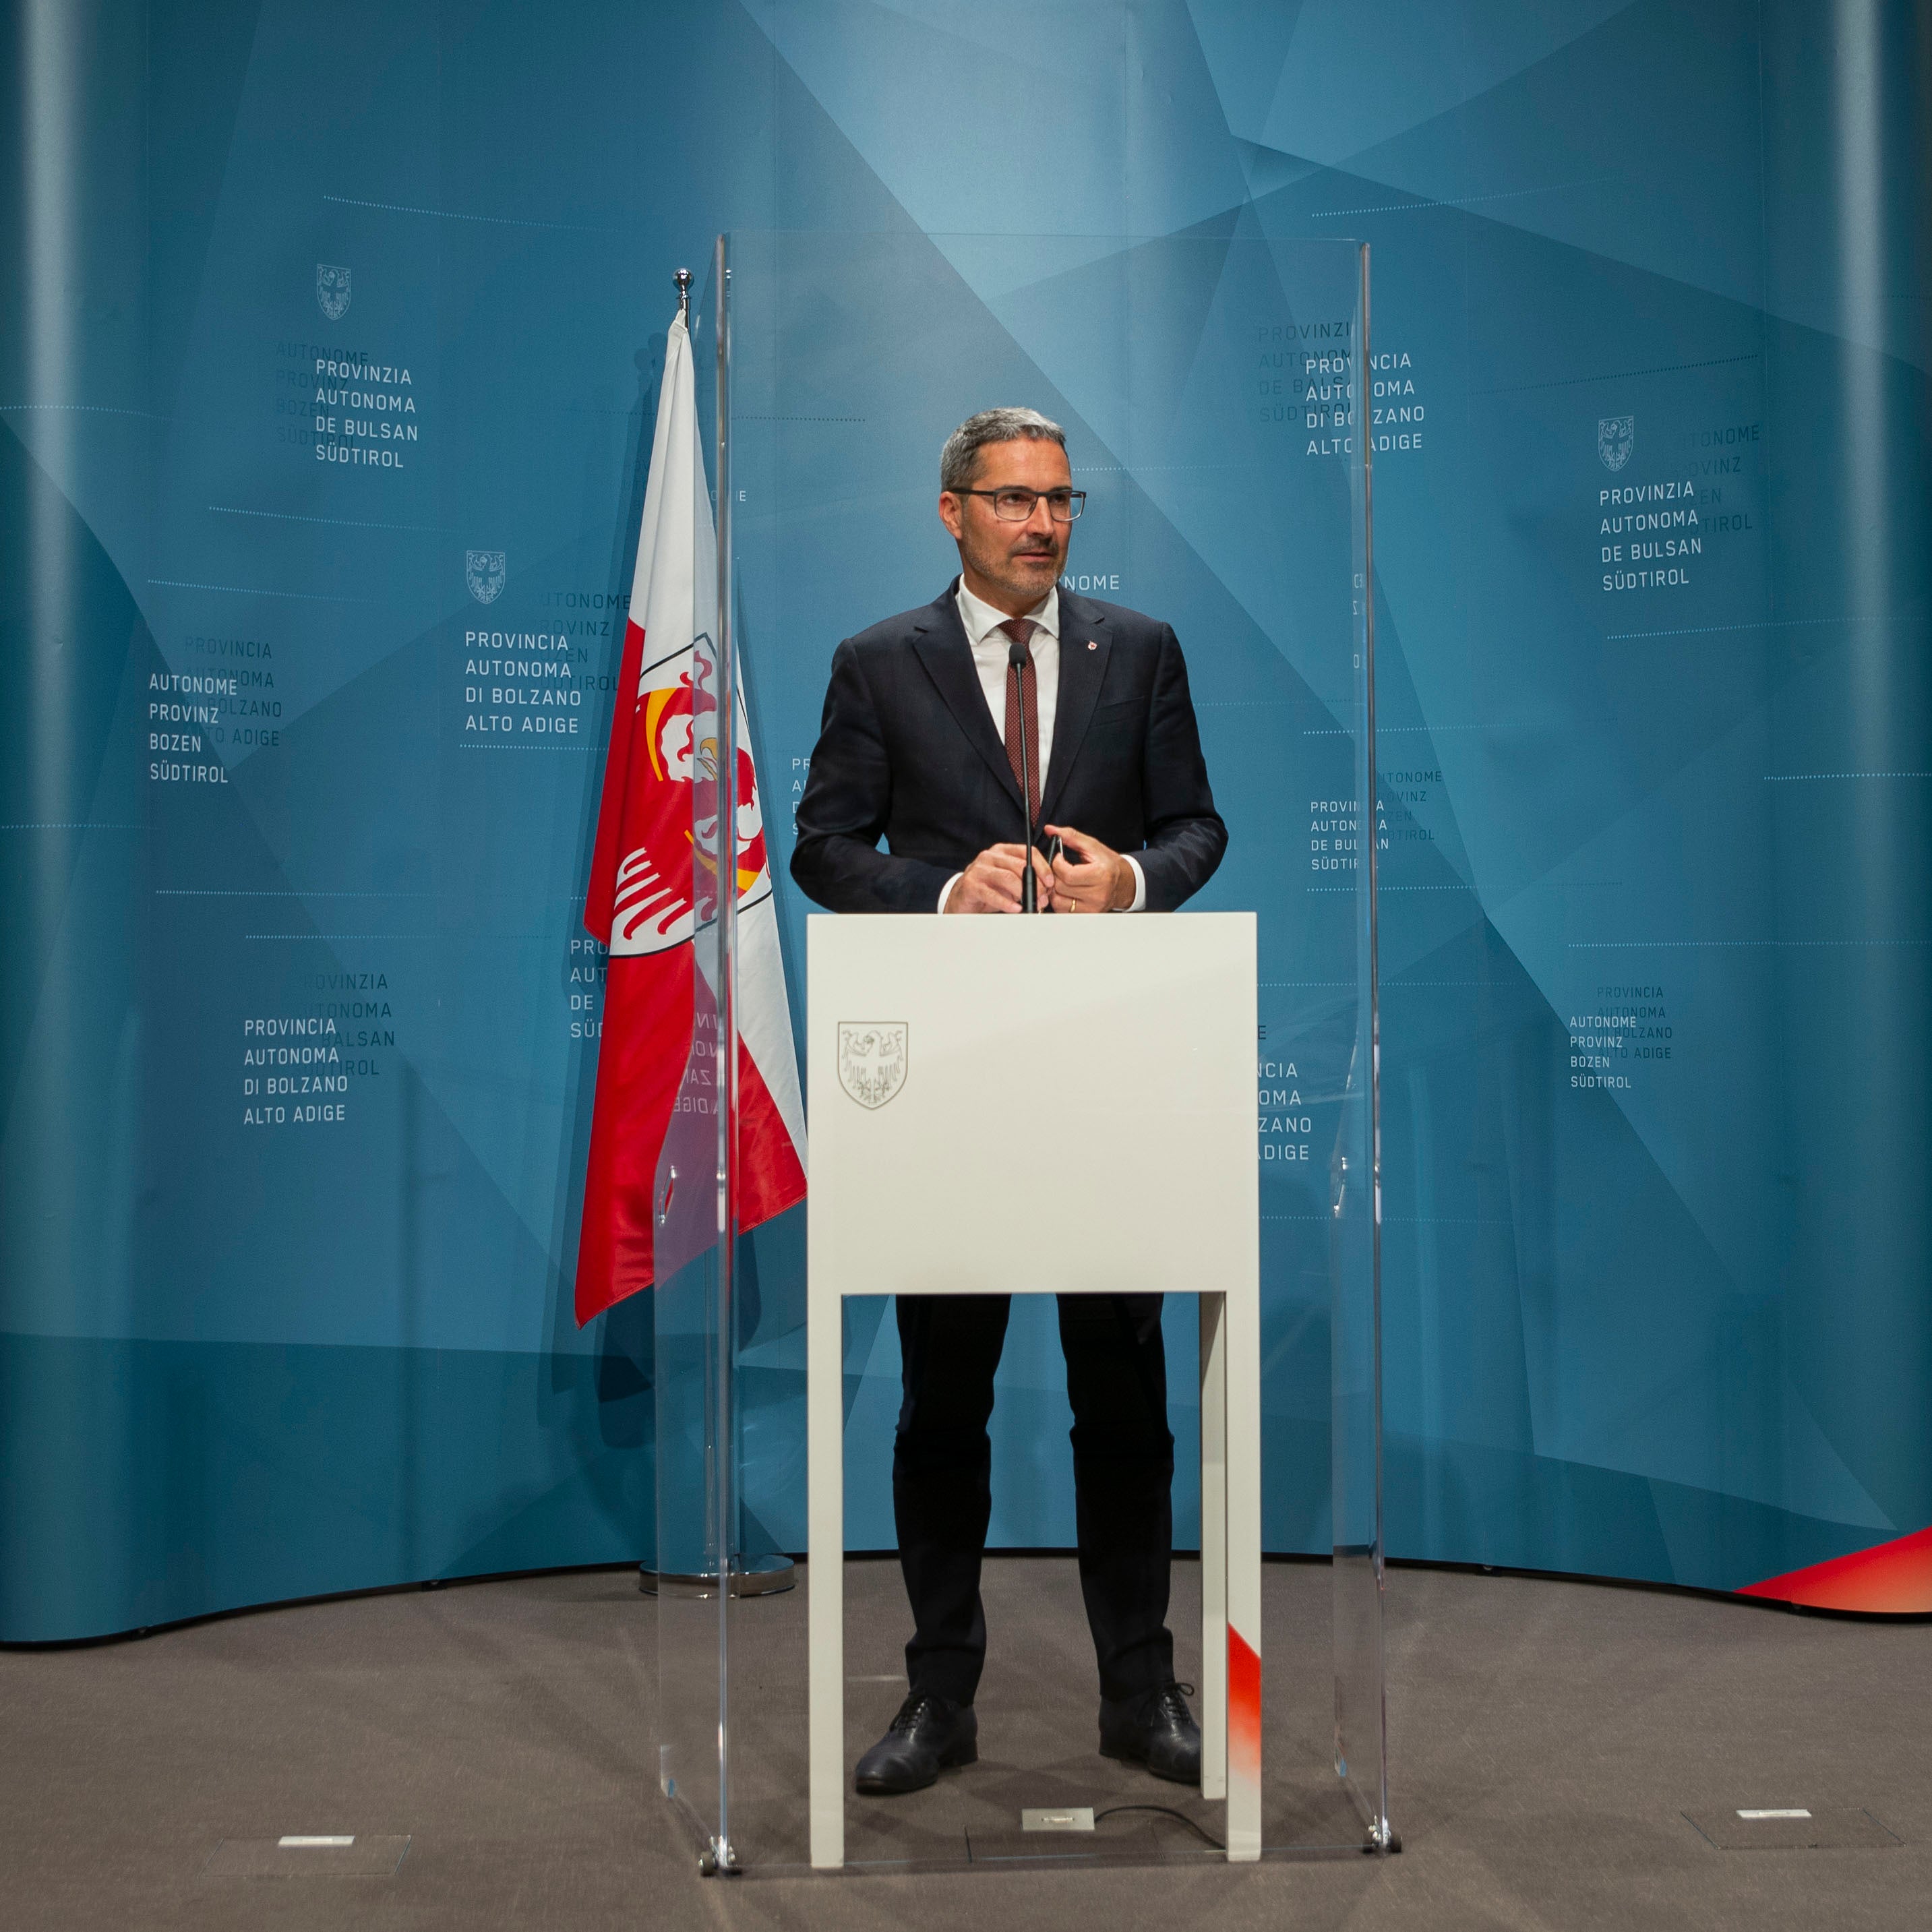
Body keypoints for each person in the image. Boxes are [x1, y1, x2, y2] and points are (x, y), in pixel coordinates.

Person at [790, 406, 1228, 1797]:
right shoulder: (877, 662)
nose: (1041, 523)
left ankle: (1139, 1692)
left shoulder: (1139, 650)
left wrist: (1132, 882)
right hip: (954, 1093)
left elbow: (1195, 827)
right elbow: (816, 846)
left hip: (1109, 1083)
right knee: (943, 1404)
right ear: (950, 510)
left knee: (1124, 1399)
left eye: (1059, 501)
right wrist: (938, 889)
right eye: (1013, 500)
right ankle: (938, 1699)